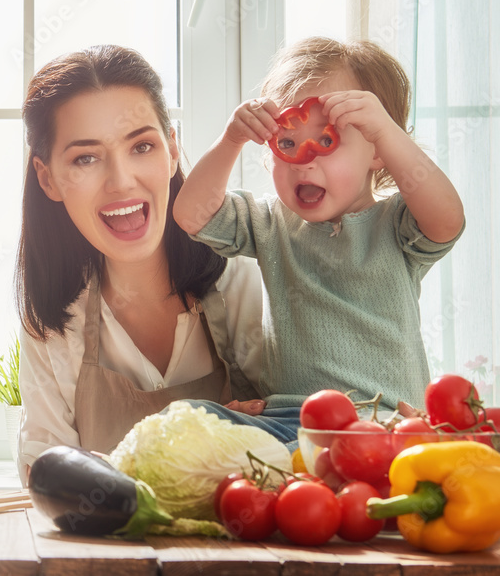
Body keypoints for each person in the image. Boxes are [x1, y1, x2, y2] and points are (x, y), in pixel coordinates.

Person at [173, 37, 465, 439]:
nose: (304, 161)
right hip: (293, 421)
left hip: (385, 423)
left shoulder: (397, 224)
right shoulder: (268, 222)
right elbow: (191, 214)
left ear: (378, 152)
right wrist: (231, 140)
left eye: (326, 141)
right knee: (188, 417)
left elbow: (448, 219)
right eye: (287, 143)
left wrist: (387, 131)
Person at [16, 45, 266, 480]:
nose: (121, 181)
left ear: (172, 150)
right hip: (103, 547)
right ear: (48, 178)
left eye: (142, 146)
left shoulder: (240, 276)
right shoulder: (54, 320)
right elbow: (45, 472)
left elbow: (308, 430)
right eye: (86, 158)